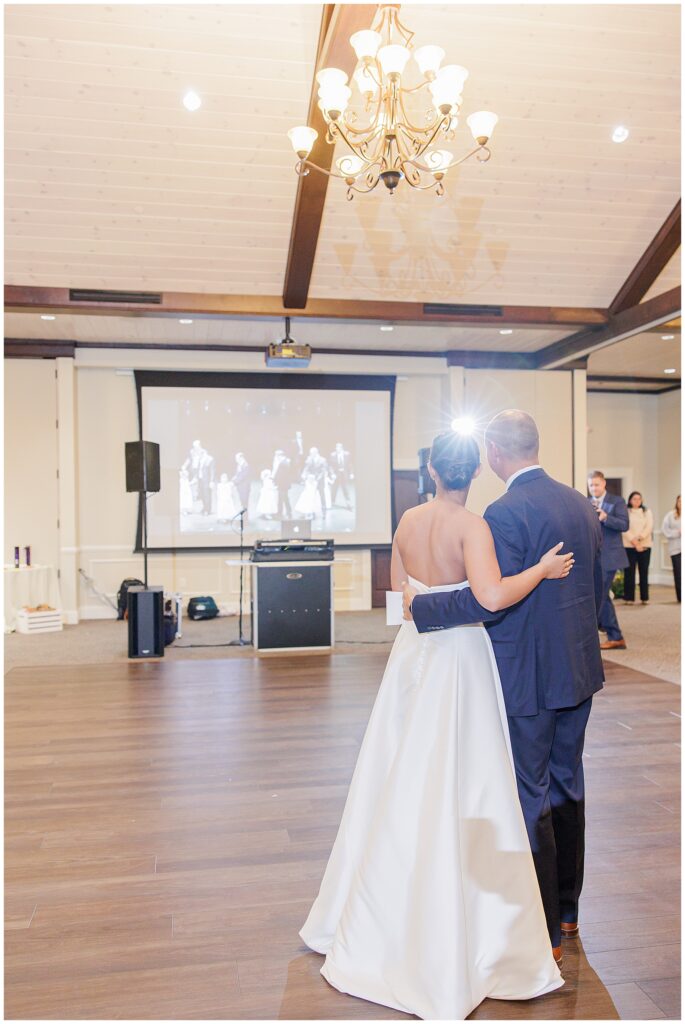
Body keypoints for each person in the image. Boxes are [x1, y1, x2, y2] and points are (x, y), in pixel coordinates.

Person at [300, 427, 572, 1019]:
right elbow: (493, 597)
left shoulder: (405, 523)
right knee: (462, 773)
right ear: (474, 472)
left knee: (400, 767)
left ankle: (380, 898)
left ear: (431, 472)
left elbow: (403, 597)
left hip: (413, 658)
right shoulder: (470, 526)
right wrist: (543, 571)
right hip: (458, 660)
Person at [402, 411, 605, 964]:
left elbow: (488, 598)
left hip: (528, 677)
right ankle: (569, 909)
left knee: (531, 794)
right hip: (579, 671)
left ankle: (545, 931)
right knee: (569, 786)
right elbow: (596, 586)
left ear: (494, 452)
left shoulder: (503, 512)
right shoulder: (581, 503)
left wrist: (422, 606)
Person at [587, 471, 629, 649]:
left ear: (603, 483)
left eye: (596, 484)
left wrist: (606, 518)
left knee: (598, 596)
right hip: (593, 557)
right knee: (603, 597)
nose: (593, 488)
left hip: (610, 558)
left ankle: (593, 637)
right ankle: (615, 635)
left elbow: (624, 525)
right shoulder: (586, 502)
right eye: (591, 485)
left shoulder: (617, 501)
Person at [622, 491, 654, 604]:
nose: (637, 501)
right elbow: (624, 528)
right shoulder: (625, 511)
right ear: (630, 500)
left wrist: (640, 539)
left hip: (645, 545)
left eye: (639, 499)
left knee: (643, 572)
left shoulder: (647, 512)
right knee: (629, 572)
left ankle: (644, 597)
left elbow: (649, 526)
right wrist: (634, 541)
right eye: (634, 499)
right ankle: (629, 598)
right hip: (629, 545)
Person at [662, 495, 681, 603]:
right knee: (678, 573)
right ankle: (680, 597)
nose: (681, 503)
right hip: (675, 548)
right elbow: (665, 530)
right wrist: (677, 533)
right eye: (679, 501)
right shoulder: (670, 515)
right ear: (676, 502)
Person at [329, 442, 354, 509]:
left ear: (342, 448)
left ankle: (348, 503)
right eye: (336, 447)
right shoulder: (333, 455)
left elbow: (350, 464)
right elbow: (331, 466)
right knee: (334, 489)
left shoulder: (347, 454)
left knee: (345, 488)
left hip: (344, 473)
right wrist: (332, 474)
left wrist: (351, 473)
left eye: (338, 447)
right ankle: (332, 502)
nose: (337, 449)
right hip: (336, 474)